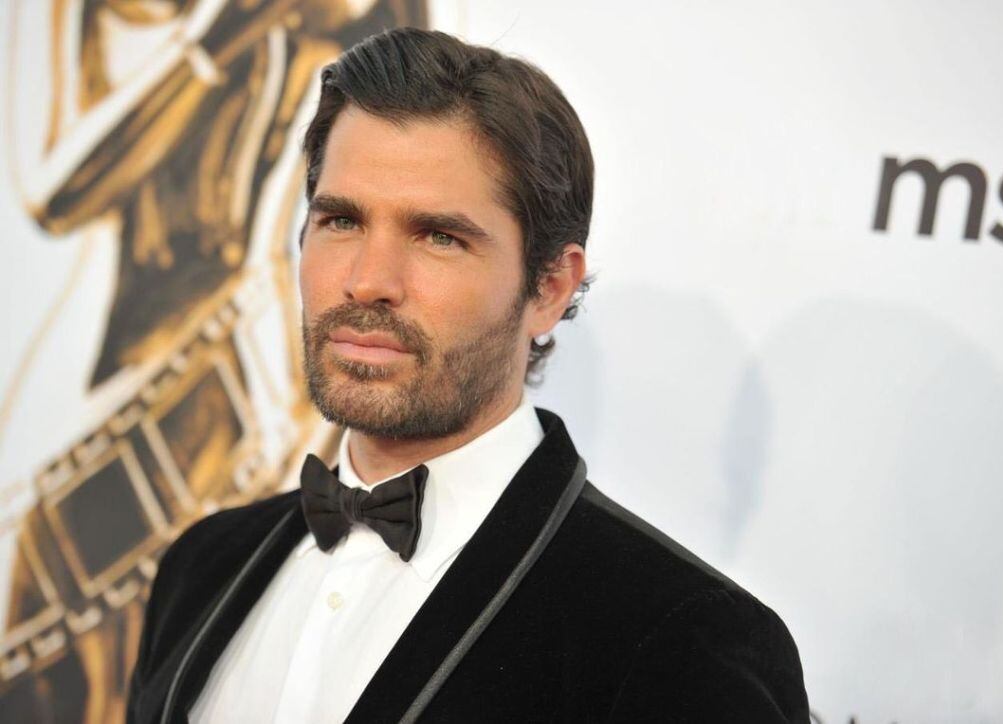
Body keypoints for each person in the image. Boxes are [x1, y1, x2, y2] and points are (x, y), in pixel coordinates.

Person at [126, 27, 809, 723]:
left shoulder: (684, 640)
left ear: (548, 287)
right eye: (342, 221)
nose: (368, 281)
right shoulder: (200, 568)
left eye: (439, 237)